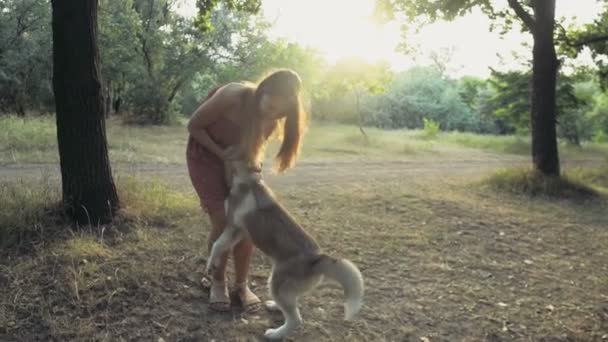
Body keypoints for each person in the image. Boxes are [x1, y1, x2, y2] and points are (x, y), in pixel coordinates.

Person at [186, 69, 307, 312]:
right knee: (221, 220)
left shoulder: (270, 122)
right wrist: (223, 157)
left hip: (236, 166)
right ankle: (217, 281)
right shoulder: (233, 94)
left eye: (279, 113)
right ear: (263, 90)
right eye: (270, 106)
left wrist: (252, 175)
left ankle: (241, 284)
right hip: (205, 157)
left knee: (248, 220)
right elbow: (194, 126)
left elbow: (252, 155)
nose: (270, 115)